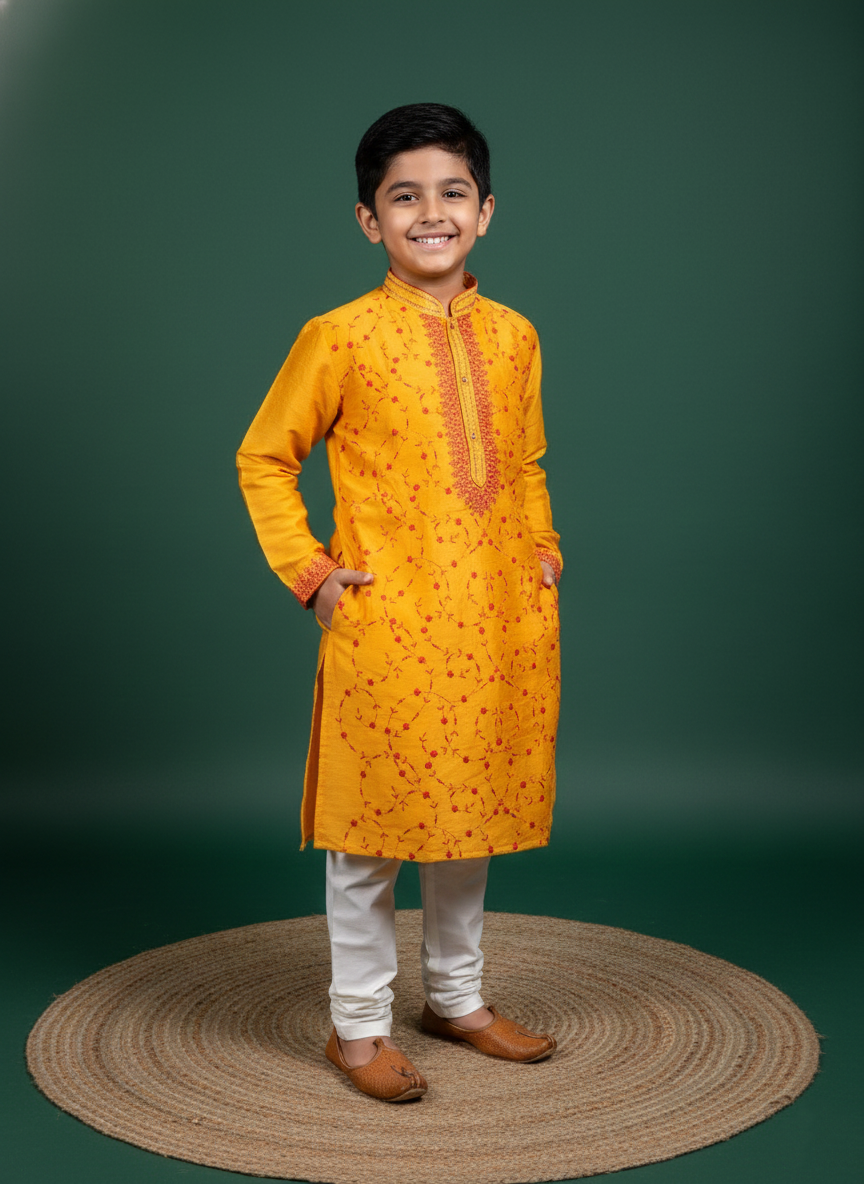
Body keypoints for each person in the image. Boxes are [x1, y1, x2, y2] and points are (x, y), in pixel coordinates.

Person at [237, 103, 562, 1102]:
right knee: (370, 840)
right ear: (369, 220)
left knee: (467, 826)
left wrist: (543, 550)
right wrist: (312, 571)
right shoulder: (339, 336)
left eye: (452, 192)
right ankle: (358, 1026)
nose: (432, 213)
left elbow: (525, 463)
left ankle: (457, 999)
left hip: (495, 622)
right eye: (404, 196)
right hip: (389, 624)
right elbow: (264, 458)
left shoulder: (514, 336)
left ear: (486, 210)